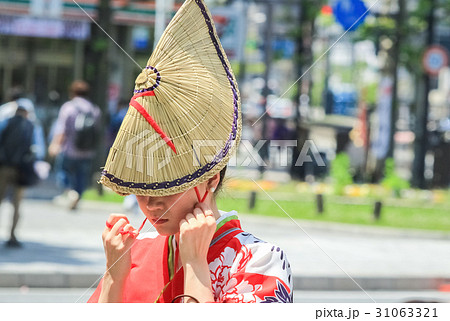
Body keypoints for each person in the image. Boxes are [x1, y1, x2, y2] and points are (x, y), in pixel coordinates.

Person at [88, 0, 292, 303]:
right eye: (141, 190)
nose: (151, 204)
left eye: (167, 188)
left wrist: (195, 265)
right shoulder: (134, 252)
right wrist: (113, 277)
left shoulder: (259, 260)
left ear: (210, 179)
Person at [49, 80, 101, 210]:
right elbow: (97, 132)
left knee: (63, 171)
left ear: (72, 92)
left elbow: (62, 129)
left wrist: (55, 145)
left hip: (69, 149)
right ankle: (78, 195)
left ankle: (70, 192)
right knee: (81, 176)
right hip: (87, 150)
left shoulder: (68, 107)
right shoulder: (94, 109)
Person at [0, 102, 40, 247]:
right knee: (16, 204)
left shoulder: (6, 122)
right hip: (21, 169)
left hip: (4, 167)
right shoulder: (30, 126)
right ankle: (12, 236)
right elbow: (35, 148)